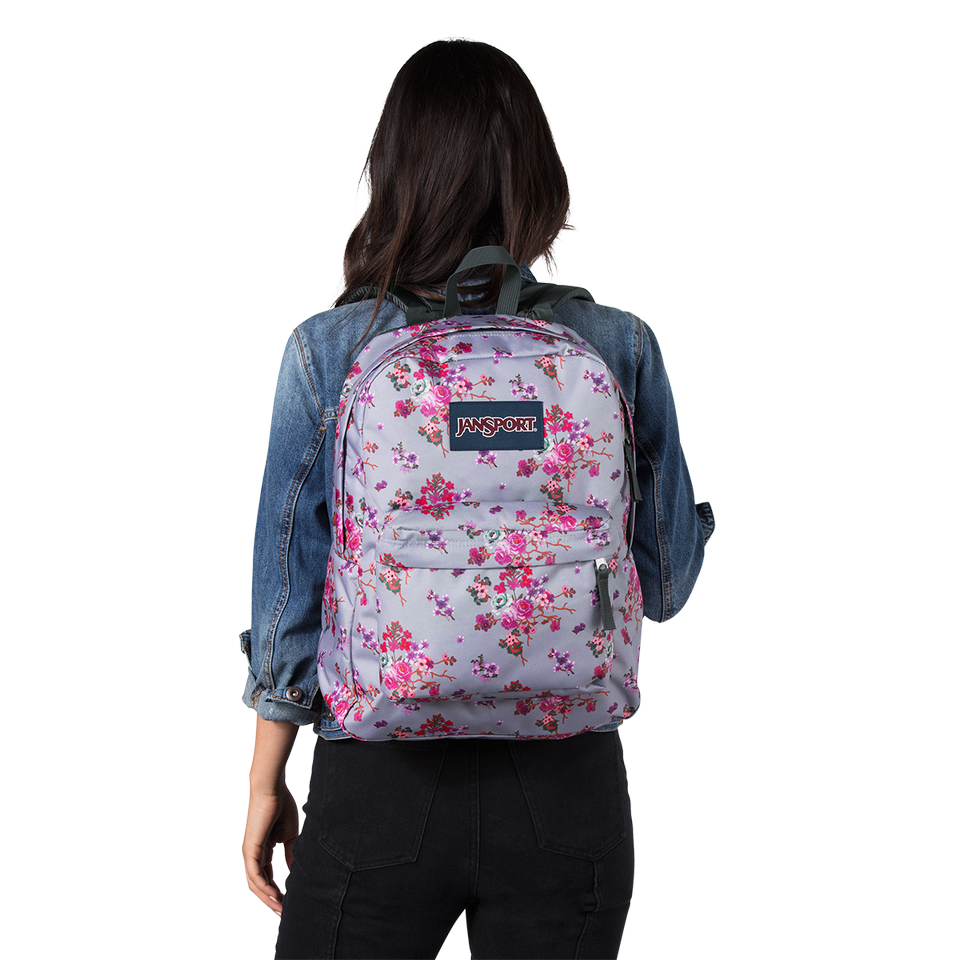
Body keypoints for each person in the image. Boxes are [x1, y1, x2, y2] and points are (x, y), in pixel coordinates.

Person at [241, 37, 712, 960]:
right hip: (572, 787)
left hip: (377, 788)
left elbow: (289, 595)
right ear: (539, 177)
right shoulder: (617, 346)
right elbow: (663, 587)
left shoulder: (331, 350)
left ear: (393, 175)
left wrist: (266, 781)